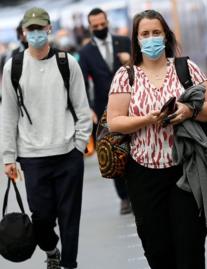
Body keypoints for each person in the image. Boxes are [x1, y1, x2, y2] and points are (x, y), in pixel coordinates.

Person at [107, 10, 207, 269]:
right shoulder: (126, 76)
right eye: (144, 34)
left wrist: (189, 111)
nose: (151, 38)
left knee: (190, 248)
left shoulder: (186, 68)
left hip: (185, 171)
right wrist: (146, 119)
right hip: (144, 176)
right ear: (136, 40)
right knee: (157, 251)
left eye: (156, 32)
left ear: (166, 36)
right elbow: (114, 121)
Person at [1, 7, 92, 269]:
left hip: (67, 154)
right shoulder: (13, 67)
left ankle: (68, 264)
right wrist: (8, 156)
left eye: (41, 28)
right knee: (41, 218)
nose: (36, 33)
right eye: (31, 29)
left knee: (69, 217)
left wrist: (78, 144)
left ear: (49, 29)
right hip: (32, 157)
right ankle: (52, 250)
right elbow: (7, 113)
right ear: (23, 33)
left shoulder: (67, 63)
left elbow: (82, 107)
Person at [78, 7, 132, 215]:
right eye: (95, 26)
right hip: (104, 110)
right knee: (114, 152)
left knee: (134, 151)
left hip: (132, 105)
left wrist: (129, 60)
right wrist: (88, 108)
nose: (100, 28)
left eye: (103, 24)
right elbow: (81, 82)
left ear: (107, 21)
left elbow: (141, 68)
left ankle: (136, 194)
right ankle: (124, 198)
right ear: (90, 27)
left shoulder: (124, 42)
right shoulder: (86, 52)